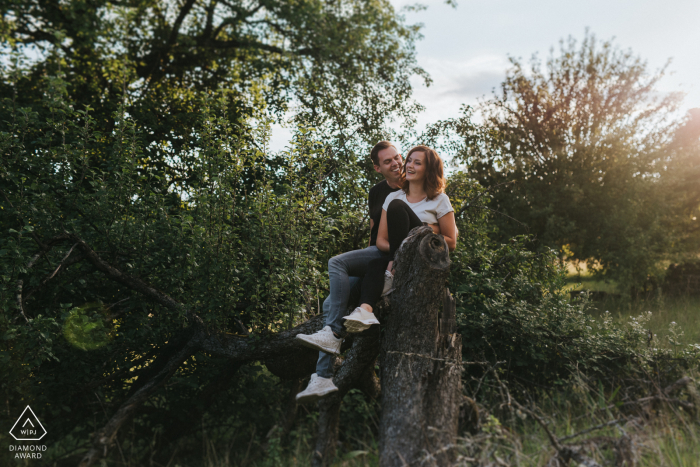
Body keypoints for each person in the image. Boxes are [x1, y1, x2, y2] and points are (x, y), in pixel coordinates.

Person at [294, 141, 404, 403]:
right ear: (378, 168)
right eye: (388, 161)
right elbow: (374, 232)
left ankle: (330, 340)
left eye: (397, 157)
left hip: (397, 259)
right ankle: (322, 377)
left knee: (336, 263)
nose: (396, 163)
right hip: (377, 256)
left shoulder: (414, 186)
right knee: (332, 301)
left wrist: (391, 264)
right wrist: (372, 270)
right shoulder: (377, 192)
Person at [343, 145, 457, 331]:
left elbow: (451, 242)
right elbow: (380, 241)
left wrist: (425, 231)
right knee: (374, 266)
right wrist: (402, 248)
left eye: (417, 163)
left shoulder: (439, 199)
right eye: (409, 160)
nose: (409, 165)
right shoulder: (394, 196)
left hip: (423, 257)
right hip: (398, 256)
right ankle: (365, 310)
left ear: (429, 169)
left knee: (397, 207)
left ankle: (391, 271)